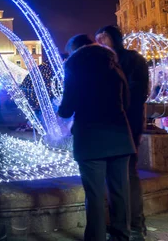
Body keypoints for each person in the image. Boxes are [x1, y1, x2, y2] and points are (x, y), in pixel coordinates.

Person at [59, 34, 135, 241]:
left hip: (90, 138)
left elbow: (66, 109)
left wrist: (62, 108)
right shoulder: (114, 64)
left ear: (75, 50)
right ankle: (121, 236)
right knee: (120, 192)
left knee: (94, 194)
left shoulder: (75, 66)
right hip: (120, 136)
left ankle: (96, 237)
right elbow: (127, 101)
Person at [96, 25, 149, 240]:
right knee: (117, 175)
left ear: (115, 39)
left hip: (127, 123)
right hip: (112, 125)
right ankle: (123, 224)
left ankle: (135, 225)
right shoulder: (104, 63)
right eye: (98, 39)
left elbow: (137, 93)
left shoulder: (132, 60)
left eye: (104, 38)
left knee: (128, 172)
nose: (100, 43)